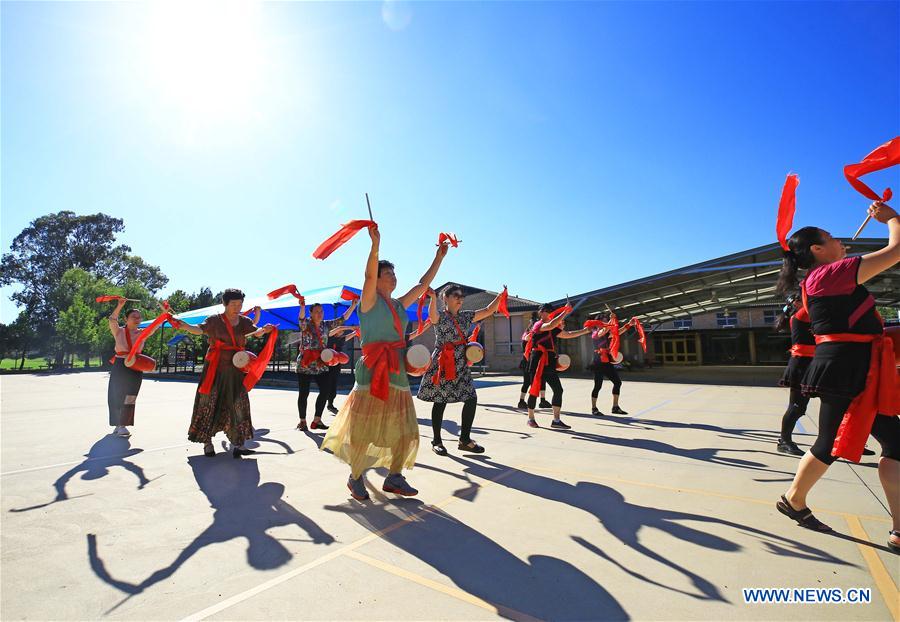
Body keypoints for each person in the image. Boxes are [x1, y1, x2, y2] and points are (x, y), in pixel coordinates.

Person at [775, 202, 899, 552]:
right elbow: (897, 250)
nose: (841, 242)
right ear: (817, 250)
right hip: (847, 367)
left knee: (891, 444)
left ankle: (899, 529)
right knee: (828, 444)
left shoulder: (825, 277)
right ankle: (793, 498)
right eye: (831, 238)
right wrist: (891, 218)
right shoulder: (832, 273)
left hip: (856, 365)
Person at [321, 225, 448, 500]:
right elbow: (367, 273)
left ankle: (394, 476)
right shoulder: (368, 301)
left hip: (397, 370)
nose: (393, 277)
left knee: (405, 429)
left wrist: (439, 257)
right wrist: (375, 245)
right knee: (363, 429)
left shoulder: (400, 305)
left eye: (393, 273)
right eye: (387, 273)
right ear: (377, 280)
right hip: (373, 369)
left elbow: (422, 286)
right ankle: (355, 477)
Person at [177, 290, 276, 458]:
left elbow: (255, 332)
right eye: (234, 304)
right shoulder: (214, 320)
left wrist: (263, 331)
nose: (237, 307)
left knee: (239, 404)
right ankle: (207, 443)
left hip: (236, 370)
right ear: (225, 304)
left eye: (240, 304)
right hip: (215, 368)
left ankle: (239, 444)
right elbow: (199, 330)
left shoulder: (244, 321)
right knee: (209, 403)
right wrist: (184, 326)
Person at [417, 284, 504, 455]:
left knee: (471, 398)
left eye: (461, 296)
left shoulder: (465, 316)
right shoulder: (440, 316)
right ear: (445, 299)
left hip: (461, 363)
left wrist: (500, 298)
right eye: (456, 295)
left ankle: (464, 440)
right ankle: (437, 440)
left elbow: (487, 310)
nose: (460, 299)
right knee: (440, 401)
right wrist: (433, 298)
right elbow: (432, 316)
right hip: (443, 361)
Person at [295, 297, 359, 431]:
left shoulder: (326, 325)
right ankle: (302, 421)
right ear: (311, 313)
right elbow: (301, 319)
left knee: (325, 390)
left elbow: (341, 320)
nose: (320, 313)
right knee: (304, 393)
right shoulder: (306, 324)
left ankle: (317, 419)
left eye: (321, 311)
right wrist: (302, 307)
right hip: (305, 363)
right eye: (317, 311)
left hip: (320, 362)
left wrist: (353, 306)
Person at [525, 304, 591, 429]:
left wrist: (585, 330)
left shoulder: (553, 328)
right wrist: (565, 311)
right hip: (537, 360)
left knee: (558, 390)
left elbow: (568, 334)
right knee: (534, 391)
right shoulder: (538, 325)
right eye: (546, 311)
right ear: (541, 313)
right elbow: (550, 325)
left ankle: (556, 420)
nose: (548, 313)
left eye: (550, 311)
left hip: (549, 361)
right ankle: (530, 418)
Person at [106, 298, 162, 437]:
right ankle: (118, 424)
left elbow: (156, 325)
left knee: (130, 396)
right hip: (120, 364)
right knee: (116, 395)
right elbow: (112, 319)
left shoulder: (142, 333)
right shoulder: (118, 331)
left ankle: (123, 424)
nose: (137, 319)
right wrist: (120, 305)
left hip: (135, 366)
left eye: (139, 317)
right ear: (126, 319)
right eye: (133, 317)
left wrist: (164, 313)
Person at [589, 312, 628, 416]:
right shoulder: (595, 332)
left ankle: (615, 407)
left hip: (607, 361)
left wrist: (629, 324)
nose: (606, 322)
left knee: (617, 382)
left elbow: (617, 332)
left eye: (607, 320)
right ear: (599, 322)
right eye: (604, 320)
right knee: (598, 385)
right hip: (598, 361)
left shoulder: (606, 333)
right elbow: (604, 330)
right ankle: (594, 408)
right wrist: (611, 321)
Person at [517, 313, 550, 410]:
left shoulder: (537, 334)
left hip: (537, 359)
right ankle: (521, 401)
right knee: (527, 382)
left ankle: (543, 400)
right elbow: (526, 338)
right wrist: (533, 333)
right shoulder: (527, 334)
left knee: (542, 380)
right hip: (527, 361)